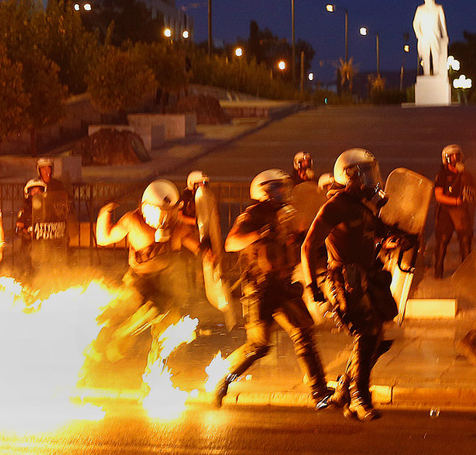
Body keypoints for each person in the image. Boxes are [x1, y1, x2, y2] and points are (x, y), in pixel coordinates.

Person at [212, 169, 331, 409]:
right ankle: (223, 380)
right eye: (277, 187)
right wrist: (259, 234)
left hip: (284, 284)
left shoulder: (286, 214)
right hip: (261, 288)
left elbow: (295, 243)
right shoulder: (252, 215)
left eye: (283, 187)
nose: (283, 191)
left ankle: (319, 391)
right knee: (259, 346)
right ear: (263, 191)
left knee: (304, 334)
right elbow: (231, 242)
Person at [302, 148, 399, 421]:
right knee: (366, 334)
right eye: (363, 174)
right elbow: (308, 246)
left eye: (370, 173)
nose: (369, 179)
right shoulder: (336, 205)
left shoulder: (364, 205)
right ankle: (359, 399)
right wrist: (312, 286)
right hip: (344, 280)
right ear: (349, 177)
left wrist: (393, 240)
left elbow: (373, 236)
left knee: (377, 337)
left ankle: (344, 388)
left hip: (368, 276)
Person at [90, 179, 208, 372]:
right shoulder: (132, 221)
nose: (164, 218)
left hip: (166, 284)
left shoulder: (177, 227)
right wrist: (105, 212)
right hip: (138, 282)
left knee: (168, 330)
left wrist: (209, 254)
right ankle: (109, 346)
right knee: (150, 309)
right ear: (147, 208)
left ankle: (153, 377)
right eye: (160, 212)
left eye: (168, 212)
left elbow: (197, 247)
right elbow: (104, 238)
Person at [432, 144, 475, 279]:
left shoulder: (465, 174)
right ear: (446, 159)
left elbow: (472, 191)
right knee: (442, 241)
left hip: (461, 211)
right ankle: (438, 272)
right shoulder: (442, 175)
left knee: (465, 240)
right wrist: (455, 201)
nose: (455, 158)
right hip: (446, 211)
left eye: (457, 155)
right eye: (452, 156)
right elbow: (438, 196)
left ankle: (465, 274)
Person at [13, 178, 47, 284]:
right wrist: (27, 233)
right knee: (29, 272)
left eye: (39, 191)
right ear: (28, 193)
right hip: (29, 247)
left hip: (45, 246)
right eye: (34, 191)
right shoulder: (25, 211)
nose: (36, 194)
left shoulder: (48, 209)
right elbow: (18, 229)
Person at [412, 0, 449, 77]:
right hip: (424, 36)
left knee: (436, 53)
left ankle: (436, 71)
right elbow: (415, 23)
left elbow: (442, 23)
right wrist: (419, 34)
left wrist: (445, 34)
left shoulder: (438, 8)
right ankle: (426, 72)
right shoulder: (420, 9)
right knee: (425, 54)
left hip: (435, 35)